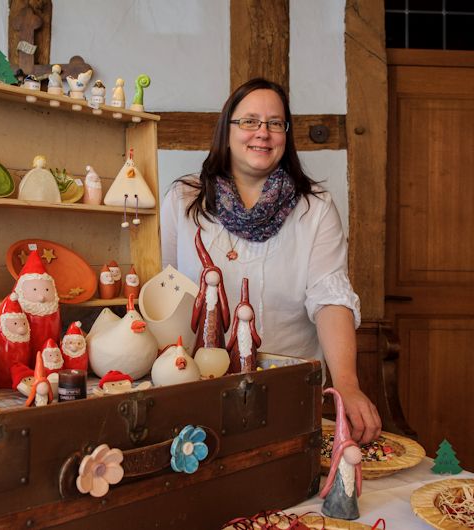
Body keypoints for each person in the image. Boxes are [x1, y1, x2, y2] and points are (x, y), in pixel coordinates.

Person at [160, 77, 381, 443]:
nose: (262, 133)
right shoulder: (184, 199)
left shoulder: (315, 207)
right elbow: (166, 292)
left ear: (285, 135)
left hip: (286, 395)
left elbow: (330, 298)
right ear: (227, 130)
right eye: (249, 121)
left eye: (275, 123)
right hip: (195, 390)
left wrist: (347, 384)